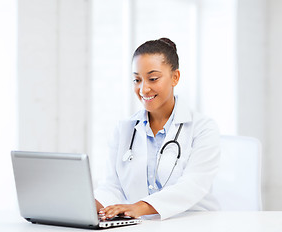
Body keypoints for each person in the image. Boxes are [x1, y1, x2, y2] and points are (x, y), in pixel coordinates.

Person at [94, 38, 220, 220]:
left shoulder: (202, 128)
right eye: (137, 80)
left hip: (194, 225)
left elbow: (193, 185)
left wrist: (139, 207)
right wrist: (90, 206)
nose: (143, 89)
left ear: (175, 77)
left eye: (153, 79)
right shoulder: (124, 130)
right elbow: (112, 186)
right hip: (143, 228)